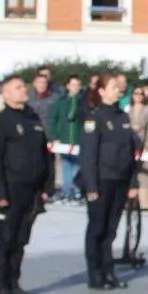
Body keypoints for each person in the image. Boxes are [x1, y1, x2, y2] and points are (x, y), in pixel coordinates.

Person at [0, 75, 53, 294]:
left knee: (21, 239)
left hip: (31, 191)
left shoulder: (32, 119)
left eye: (24, 86)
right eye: (19, 87)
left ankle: (15, 283)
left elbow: (45, 156)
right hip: (11, 190)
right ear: (7, 94)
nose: (24, 89)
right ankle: (1, 287)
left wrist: (46, 187)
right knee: (6, 239)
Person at [80, 74, 140, 290]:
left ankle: (108, 272)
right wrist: (91, 186)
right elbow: (88, 155)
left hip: (120, 180)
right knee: (97, 228)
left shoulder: (122, 117)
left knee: (111, 230)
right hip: (102, 180)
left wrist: (133, 182)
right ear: (102, 91)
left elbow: (130, 154)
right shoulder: (94, 118)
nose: (118, 90)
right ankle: (95, 274)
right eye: (113, 87)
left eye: (118, 87)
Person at [48, 75, 86, 203]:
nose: (75, 87)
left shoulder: (83, 101)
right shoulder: (60, 101)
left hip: (78, 139)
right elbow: (53, 119)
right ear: (68, 86)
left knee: (77, 166)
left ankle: (76, 191)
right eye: (73, 85)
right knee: (66, 165)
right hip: (63, 139)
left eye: (78, 85)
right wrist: (54, 136)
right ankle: (66, 192)